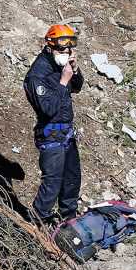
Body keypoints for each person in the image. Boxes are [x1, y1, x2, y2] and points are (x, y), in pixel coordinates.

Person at [23, 24, 84, 225]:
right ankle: (35, 225)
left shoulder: (60, 65)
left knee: (71, 179)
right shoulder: (36, 76)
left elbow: (77, 87)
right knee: (52, 185)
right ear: (49, 47)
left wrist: (74, 71)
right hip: (50, 136)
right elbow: (48, 108)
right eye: (61, 50)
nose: (65, 54)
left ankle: (69, 222)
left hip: (66, 134)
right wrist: (63, 82)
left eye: (68, 50)